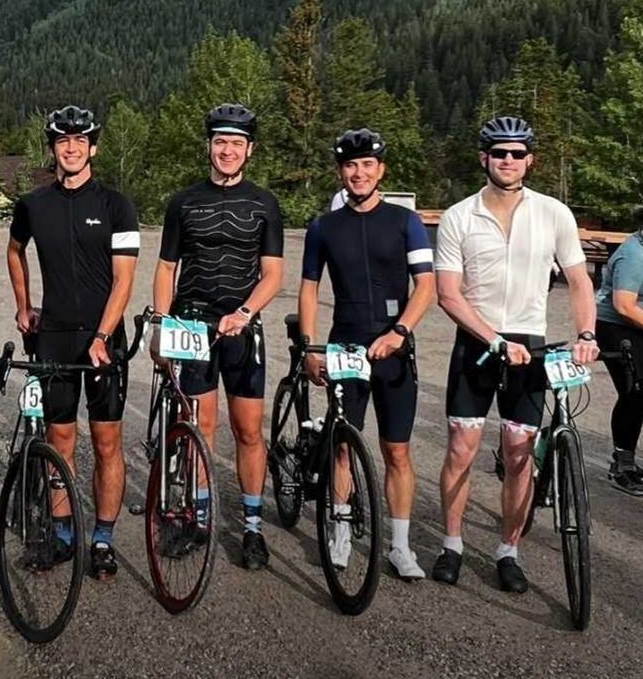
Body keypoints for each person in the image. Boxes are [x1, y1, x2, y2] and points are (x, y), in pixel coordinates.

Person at [433, 116, 598, 593]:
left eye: (517, 154)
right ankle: (452, 545)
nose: (508, 161)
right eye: (499, 153)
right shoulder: (459, 215)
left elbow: (580, 280)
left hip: (531, 343)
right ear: (484, 158)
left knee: (520, 453)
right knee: (461, 448)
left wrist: (586, 333)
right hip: (477, 342)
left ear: (530, 160)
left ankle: (508, 551)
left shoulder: (553, 213)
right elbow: (448, 294)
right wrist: (494, 339)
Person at [8, 105, 139, 579]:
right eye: (63, 140)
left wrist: (103, 334)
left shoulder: (116, 205)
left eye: (80, 140)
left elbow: (124, 280)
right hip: (56, 336)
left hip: (104, 338)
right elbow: (14, 249)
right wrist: (24, 305)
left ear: (93, 148)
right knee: (60, 439)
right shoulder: (33, 204)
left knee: (107, 441)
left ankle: (102, 538)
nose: (71, 148)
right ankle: (63, 533)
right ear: (53, 148)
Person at [298, 128, 435, 580]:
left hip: (393, 348)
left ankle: (400, 545)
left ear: (381, 170)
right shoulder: (323, 227)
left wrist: (400, 332)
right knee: (342, 446)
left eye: (367, 165)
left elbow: (426, 286)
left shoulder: (405, 221)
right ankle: (339, 530)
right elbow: (309, 287)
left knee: (397, 450)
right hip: (346, 344)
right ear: (341, 172)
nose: (359, 173)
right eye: (351, 165)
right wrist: (309, 347)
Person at [153, 103, 284, 569]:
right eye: (220, 142)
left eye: (236, 143)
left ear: (250, 150)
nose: (228, 150)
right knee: (199, 428)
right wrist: (162, 324)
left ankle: (252, 527)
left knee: (248, 430)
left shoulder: (264, 203)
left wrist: (245, 312)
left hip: (241, 328)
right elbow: (166, 268)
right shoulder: (183, 202)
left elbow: (273, 274)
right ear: (209, 145)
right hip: (192, 323)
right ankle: (200, 519)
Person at [594, 214, 643, 495]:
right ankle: (622, 465)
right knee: (636, 390)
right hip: (615, 324)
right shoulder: (634, 254)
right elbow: (624, 305)